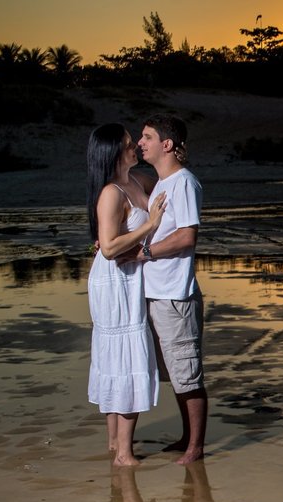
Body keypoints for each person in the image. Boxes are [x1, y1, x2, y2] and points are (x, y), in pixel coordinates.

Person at [86, 123, 167, 467]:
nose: (135, 146)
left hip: (130, 276)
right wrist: (149, 225)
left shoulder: (135, 182)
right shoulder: (111, 192)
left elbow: (168, 183)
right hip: (115, 278)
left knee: (118, 357)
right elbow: (107, 249)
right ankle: (123, 453)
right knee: (125, 356)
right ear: (114, 152)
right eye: (129, 144)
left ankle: (113, 443)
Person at [137, 115, 207, 464]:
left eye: (147, 137)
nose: (140, 143)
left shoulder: (184, 183)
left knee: (187, 371)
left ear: (167, 144)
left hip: (176, 295)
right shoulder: (162, 184)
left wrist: (145, 251)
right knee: (175, 374)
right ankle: (185, 438)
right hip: (157, 292)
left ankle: (196, 447)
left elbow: (187, 236)